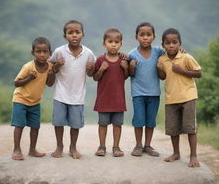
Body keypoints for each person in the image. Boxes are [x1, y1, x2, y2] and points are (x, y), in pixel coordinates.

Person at [49, 20, 96, 159]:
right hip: (60, 94)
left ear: (83, 34)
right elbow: (50, 68)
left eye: (77, 32)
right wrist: (57, 65)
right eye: (70, 33)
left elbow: (90, 74)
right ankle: (59, 146)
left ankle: (73, 147)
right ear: (65, 36)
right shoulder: (59, 51)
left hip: (78, 96)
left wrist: (91, 69)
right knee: (58, 122)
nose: (74, 35)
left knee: (75, 124)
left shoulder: (88, 53)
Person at [157, 28, 202, 167]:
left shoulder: (186, 57)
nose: (171, 45)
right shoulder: (162, 59)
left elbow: (199, 73)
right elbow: (163, 77)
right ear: (163, 44)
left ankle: (193, 156)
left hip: (188, 96)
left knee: (190, 128)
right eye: (168, 43)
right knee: (173, 128)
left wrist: (182, 71)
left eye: (174, 42)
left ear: (180, 44)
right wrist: (159, 69)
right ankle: (176, 153)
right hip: (171, 98)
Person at [11, 36, 55, 160]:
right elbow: (16, 83)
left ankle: (32, 150)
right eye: (38, 51)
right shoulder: (28, 67)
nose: (42, 54)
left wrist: (52, 74)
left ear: (49, 53)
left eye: (45, 51)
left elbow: (50, 83)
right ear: (33, 53)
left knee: (35, 126)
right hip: (21, 99)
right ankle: (16, 150)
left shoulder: (50, 66)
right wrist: (29, 78)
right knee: (19, 125)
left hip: (35, 102)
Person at [128, 22, 164, 157]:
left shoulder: (159, 52)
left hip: (154, 93)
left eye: (148, 35)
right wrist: (131, 66)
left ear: (154, 37)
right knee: (138, 119)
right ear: (136, 37)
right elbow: (129, 74)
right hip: (138, 93)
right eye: (142, 35)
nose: (145, 37)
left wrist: (181, 51)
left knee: (150, 120)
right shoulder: (132, 54)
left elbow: (171, 54)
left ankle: (148, 145)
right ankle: (138, 145)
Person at [93, 28, 128, 157]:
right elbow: (95, 77)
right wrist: (101, 70)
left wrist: (125, 68)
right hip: (104, 99)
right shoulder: (100, 59)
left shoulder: (123, 60)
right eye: (110, 41)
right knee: (102, 124)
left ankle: (116, 147)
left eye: (116, 42)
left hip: (118, 99)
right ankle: (101, 146)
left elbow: (126, 76)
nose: (113, 44)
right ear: (104, 44)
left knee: (117, 124)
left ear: (121, 44)